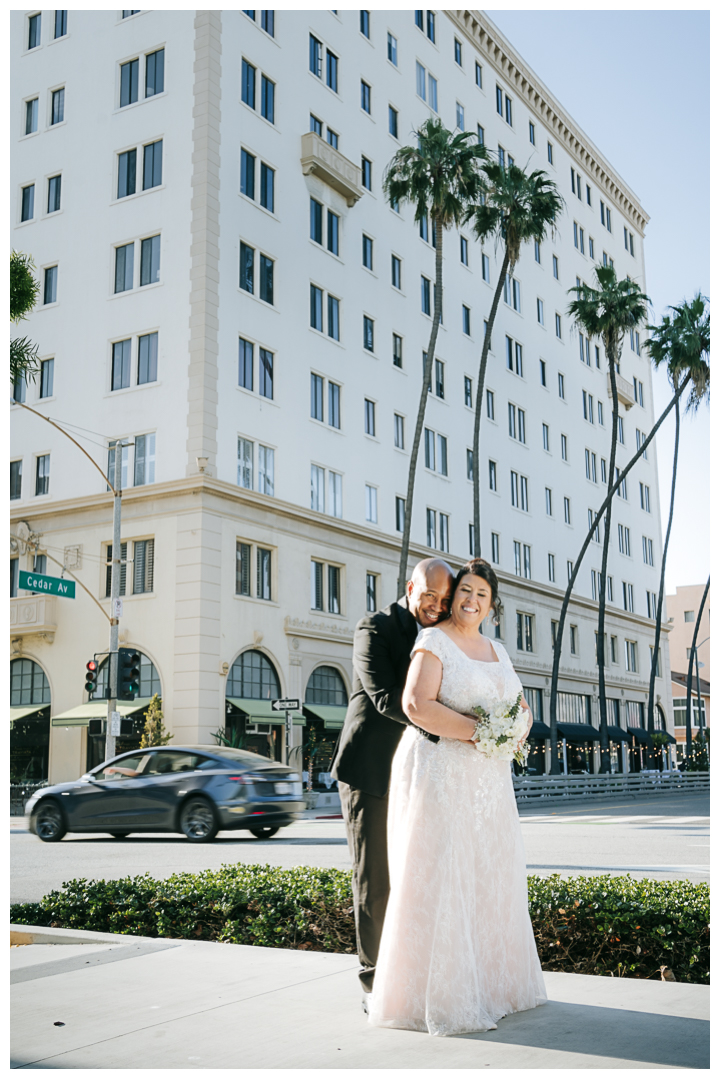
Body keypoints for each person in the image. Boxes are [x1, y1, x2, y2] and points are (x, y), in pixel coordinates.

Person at [368, 558, 547, 1036]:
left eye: (481, 595)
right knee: (445, 871)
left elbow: (521, 707)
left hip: (489, 780)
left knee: (489, 872)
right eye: (464, 591)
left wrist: (513, 732)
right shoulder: (433, 641)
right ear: (454, 597)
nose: (471, 600)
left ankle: (493, 986)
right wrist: (481, 733)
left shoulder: (497, 649)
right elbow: (414, 705)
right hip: (444, 772)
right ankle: (439, 995)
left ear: (492, 604)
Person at [330, 558, 454, 1005]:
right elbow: (386, 699)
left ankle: (413, 975)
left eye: (444, 600)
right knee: (375, 879)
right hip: (371, 771)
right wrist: (453, 726)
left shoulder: (442, 633)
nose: (436, 606)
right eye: (429, 596)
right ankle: (374, 984)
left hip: (422, 773)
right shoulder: (374, 627)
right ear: (410, 587)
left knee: (416, 876)